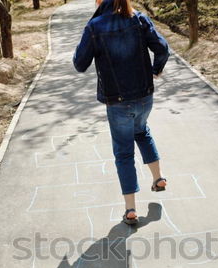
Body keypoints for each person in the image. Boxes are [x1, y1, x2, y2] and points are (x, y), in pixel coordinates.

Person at [73, 0, 170, 224]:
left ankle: (130, 210)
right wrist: (155, 70)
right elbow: (162, 48)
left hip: (117, 101)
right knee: (141, 131)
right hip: (145, 96)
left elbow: (80, 63)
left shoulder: (95, 26)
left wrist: (90, 28)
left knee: (124, 153)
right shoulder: (138, 18)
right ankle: (159, 178)